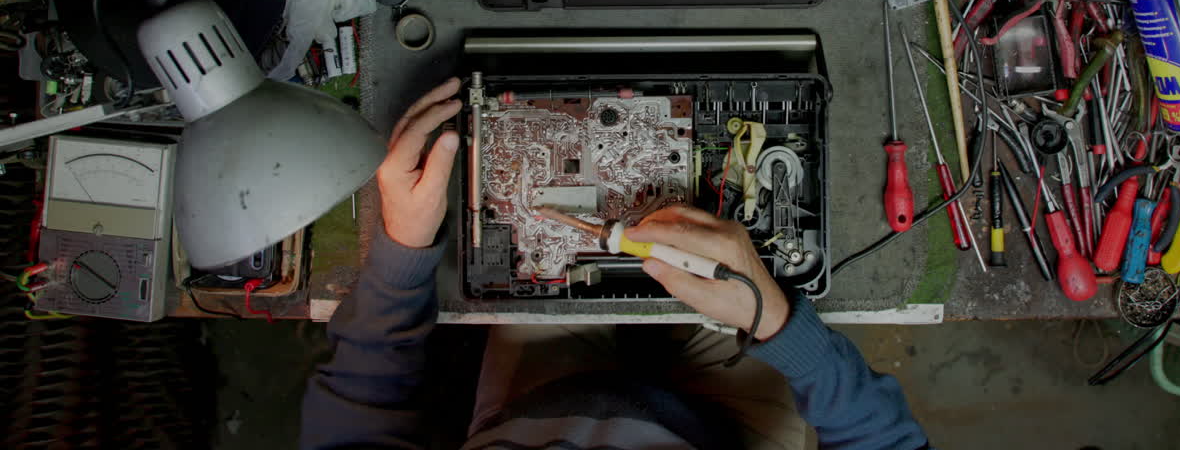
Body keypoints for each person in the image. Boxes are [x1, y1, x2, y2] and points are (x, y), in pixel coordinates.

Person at [302, 78, 930, 449]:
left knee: (537, 271)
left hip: (540, 400)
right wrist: (775, 323)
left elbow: (352, 423)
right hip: (726, 429)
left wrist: (403, 250)